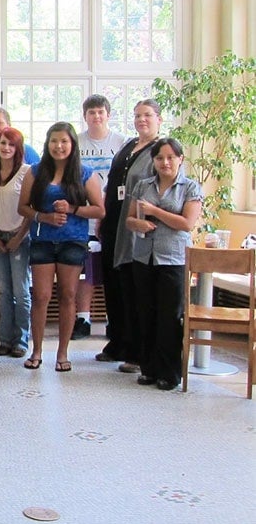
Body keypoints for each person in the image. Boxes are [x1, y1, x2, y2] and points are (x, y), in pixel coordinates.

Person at [18, 122, 104, 371]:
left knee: (67, 296)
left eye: (64, 141)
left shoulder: (85, 173)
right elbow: (23, 207)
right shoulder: (35, 172)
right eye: (54, 141)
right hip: (43, 240)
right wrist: (43, 217)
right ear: (47, 144)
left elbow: (100, 209)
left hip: (73, 241)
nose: (59, 146)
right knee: (41, 296)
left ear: (73, 144)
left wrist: (73, 209)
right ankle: (36, 351)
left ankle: (63, 353)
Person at [125, 138, 203, 391]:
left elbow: (187, 223)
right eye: (160, 158)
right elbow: (130, 220)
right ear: (154, 161)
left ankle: (169, 373)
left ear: (180, 159)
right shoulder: (143, 185)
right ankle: (148, 368)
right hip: (144, 256)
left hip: (173, 259)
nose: (165, 162)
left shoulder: (189, 187)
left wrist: (155, 212)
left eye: (170, 157)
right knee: (146, 313)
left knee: (169, 317)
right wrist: (138, 223)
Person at [98, 99, 163, 372]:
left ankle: (137, 351)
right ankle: (118, 342)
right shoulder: (127, 145)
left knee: (134, 287)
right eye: (137, 115)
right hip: (114, 221)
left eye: (147, 115)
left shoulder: (160, 150)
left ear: (159, 118)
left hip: (138, 226)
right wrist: (103, 218)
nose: (141, 120)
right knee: (114, 283)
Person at [73, 94, 127, 339]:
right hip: (83, 217)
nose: (96, 116)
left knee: (112, 271)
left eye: (100, 112)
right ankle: (82, 319)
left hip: (113, 217)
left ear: (108, 114)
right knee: (85, 271)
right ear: (85, 116)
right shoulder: (76, 141)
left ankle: (112, 320)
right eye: (91, 112)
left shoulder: (121, 142)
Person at [0, 127, 33, 359]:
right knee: (4, 292)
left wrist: (18, 237)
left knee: (21, 291)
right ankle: (5, 339)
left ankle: (21, 339)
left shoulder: (27, 172)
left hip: (19, 238)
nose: (6, 148)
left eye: (11, 144)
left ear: (18, 148)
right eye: (3, 143)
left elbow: (30, 211)